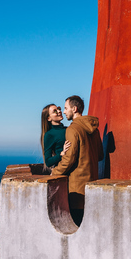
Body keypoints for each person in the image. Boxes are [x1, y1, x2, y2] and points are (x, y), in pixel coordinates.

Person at [50, 95, 103, 225]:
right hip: (92, 186)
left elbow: (69, 159)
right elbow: (100, 155)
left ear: (74, 109)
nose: (63, 111)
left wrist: (55, 172)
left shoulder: (73, 129)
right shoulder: (94, 130)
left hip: (77, 190)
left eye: (66, 108)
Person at [41, 104, 72, 170]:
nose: (59, 111)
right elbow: (48, 162)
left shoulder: (68, 129)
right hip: (62, 170)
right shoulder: (49, 134)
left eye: (59, 109)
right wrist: (62, 154)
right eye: (55, 111)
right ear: (49, 118)